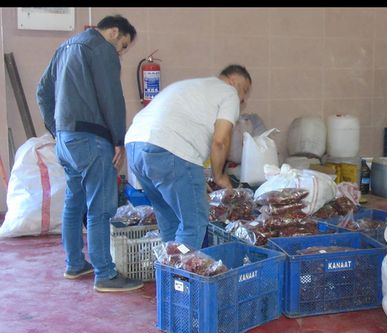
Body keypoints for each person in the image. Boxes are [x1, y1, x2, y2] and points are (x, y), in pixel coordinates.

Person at [36, 15, 143, 292]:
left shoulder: (64, 48)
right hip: (93, 140)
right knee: (100, 208)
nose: (120, 52)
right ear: (114, 32)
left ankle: (74, 264)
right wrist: (118, 139)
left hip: (66, 141)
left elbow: (42, 91)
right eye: (123, 45)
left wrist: (57, 129)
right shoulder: (101, 49)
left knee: (74, 202)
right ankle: (105, 274)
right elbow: (111, 97)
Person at [125, 65, 252, 249]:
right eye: (245, 90)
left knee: (170, 220)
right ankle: (181, 276)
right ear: (233, 81)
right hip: (170, 148)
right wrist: (219, 177)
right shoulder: (228, 92)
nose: (243, 98)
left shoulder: (191, 86)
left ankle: (168, 273)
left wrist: (195, 177)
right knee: (193, 224)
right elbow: (221, 140)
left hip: (135, 146)